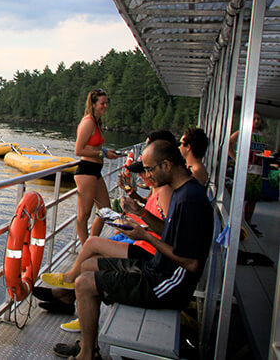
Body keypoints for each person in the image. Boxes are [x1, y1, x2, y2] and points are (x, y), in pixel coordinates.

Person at [51, 140, 213, 360]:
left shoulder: (189, 199)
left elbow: (190, 262)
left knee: (84, 282)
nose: (147, 175)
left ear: (166, 165)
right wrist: (141, 213)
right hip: (158, 269)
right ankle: (88, 346)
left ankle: (88, 354)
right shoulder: (181, 191)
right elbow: (169, 231)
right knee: (88, 265)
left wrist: (144, 235)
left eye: (149, 169)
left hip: (168, 284)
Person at [39, 160, 172, 335]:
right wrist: (130, 214)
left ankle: (68, 282)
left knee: (93, 244)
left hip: (148, 251)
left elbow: (166, 230)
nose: (141, 176)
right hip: (142, 244)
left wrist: (138, 221)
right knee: (88, 262)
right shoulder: (157, 191)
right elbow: (153, 218)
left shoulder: (165, 192)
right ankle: (72, 301)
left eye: (145, 171)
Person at [73, 88, 119, 245]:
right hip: (86, 171)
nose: (105, 106)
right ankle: (86, 248)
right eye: (102, 103)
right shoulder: (88, 123)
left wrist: (105, 151)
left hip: (96, 172)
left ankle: (92, 242)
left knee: (106, 210)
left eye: (106, 103)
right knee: (84, 214)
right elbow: (79, 150)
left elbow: (94, 147)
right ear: (93, 104)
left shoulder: (97, 122)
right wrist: (103, 153)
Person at [229, 112, 265, 233]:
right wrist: (235, 158)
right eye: (254, 118)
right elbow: (228, 144)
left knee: (253, 199)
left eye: (258, 119)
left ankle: (248, 222)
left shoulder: (261, 135)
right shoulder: (241, 132)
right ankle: (237, 222)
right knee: (242, 197)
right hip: (246, 171)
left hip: (258, 171)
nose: (256, 121)